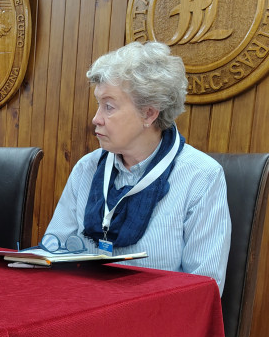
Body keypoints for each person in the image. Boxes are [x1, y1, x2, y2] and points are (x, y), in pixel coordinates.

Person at [44, 41, 231, 294]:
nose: (96, 118)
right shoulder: (86, 168)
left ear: (149, 114)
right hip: (80, 313)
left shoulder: (201, 177)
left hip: (152, 325)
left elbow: (203, 291)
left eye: (109, 107)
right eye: (98, 104)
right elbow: (52, 252)